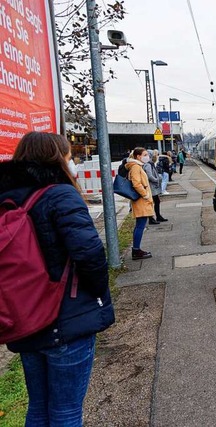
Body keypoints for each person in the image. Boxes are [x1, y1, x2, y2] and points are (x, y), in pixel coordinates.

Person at [0, 131, 115, 426]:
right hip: (65, 318)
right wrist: (99, 296)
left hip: (24, 318)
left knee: (38, 407)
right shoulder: (60, 194)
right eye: (68, 155)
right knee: (66, 410)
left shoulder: (6, 197)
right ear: (57, 157)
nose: (72, 160)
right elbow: (90, 255)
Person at [126, 147, 155, 260]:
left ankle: (136, 249)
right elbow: (136, 184)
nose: (147, 156)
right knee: (140, 226)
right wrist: (145, 194)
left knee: (140, 225)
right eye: (145, 154)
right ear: (138, 156)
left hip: (141, 200)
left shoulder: (137, 166)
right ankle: (136, 250)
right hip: (141, 201)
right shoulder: (136, 167)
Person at [143, 149, 167, 224]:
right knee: (153, 202)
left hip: (152, 187)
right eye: (154, 155)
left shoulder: (150, 164)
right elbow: (149, 175)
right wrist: (156, 180)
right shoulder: (148, 164)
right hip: (151, 187)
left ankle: (157, 216)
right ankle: (152, 218)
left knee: (156, 201)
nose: (155, 156)